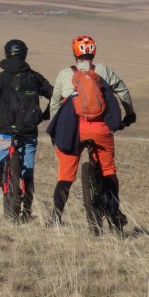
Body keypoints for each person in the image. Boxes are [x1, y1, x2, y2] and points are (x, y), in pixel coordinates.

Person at [46, 34, 136, 230]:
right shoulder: (103, 70)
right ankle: (114, 218)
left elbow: (54, 104)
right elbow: (123, 92)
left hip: (72, 129)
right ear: (93, 52)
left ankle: (56, 219)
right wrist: (129, 114)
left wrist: (56, 129)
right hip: (99, 128)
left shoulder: (64, 74)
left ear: (74, 53)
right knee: (108, 171)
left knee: (65, 176)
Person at [0, 38, 53, 221]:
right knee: (28, 171)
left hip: (6, 132)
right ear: (25, 54)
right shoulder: (34, 77)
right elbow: (55, 95)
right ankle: (27, 212)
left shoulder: (2, 77)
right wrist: (45, 114)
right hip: (29, 133)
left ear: (7, 54)